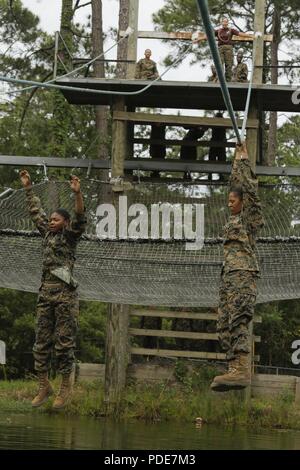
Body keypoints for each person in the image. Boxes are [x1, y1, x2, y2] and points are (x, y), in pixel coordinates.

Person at [19, 170, 86, 409]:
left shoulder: (70, 237)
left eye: (56, 220)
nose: (51, 221)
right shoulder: (46, 233)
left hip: (65, 295)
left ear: (65, 223)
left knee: (64, 343)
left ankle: (65, 387)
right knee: (41, 341)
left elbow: (79, 215)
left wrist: (77, 194)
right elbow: (36, 212)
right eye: (51, 219)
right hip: (45, 294)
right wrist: (28, 188)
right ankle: (43, 385)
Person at [210, 142, 264, 392]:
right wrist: (235, 161)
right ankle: (233, 368)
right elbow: (236, 185)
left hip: (243, 276)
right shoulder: (233, 218)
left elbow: (249, 190)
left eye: (233, 201)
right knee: (223, 324)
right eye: (228, 200)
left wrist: (244, 162)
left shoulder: (249, 218)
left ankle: (242, 370)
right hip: (228, 279)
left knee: (238, 323)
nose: (229, 204)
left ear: (242, 203)